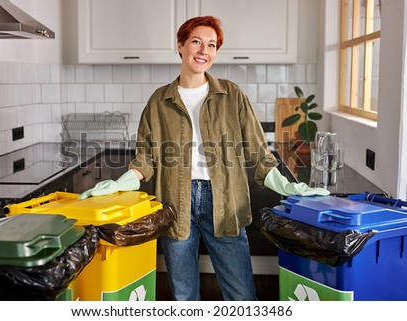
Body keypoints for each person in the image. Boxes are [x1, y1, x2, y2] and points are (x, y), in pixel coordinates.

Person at [79, 16, 329, 301]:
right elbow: (145, 159)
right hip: (175, 202)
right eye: (196, 41)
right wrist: (119, 183)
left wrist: (287, 187)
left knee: (242, 295)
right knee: (184, 296)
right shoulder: (159, 101)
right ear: (181, 46)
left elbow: (259, 153)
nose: (204, 51)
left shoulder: (232, 95)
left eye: (212, 45)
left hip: (226, 202)